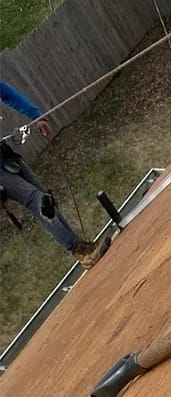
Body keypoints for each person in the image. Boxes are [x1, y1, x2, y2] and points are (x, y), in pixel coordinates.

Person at [1, 80, 110, 268]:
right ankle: (78, 249)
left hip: (4, 156)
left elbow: (9, 94)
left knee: (45, 197)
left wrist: (37, 117)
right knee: (38, 200)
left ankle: (80, 246)